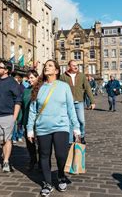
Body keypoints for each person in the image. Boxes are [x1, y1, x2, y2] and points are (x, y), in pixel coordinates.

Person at [27, 60, 80, 196]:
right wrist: (30, 129)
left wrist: (76, 127)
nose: (46, 67)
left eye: (50, 65)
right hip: (42, 127)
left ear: (56, 71)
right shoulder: (38, 87)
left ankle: (61, 175)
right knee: (44, 156)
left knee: (61, 155)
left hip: (61, 126)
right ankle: (47, 183)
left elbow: (70, 108)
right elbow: (32, 110)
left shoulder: (64, 87)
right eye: (45, 65)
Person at [59, 60, 95, 144]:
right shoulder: (63, 77)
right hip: (68, 103)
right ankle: (71, 140)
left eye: (77, 65)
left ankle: (82, 136)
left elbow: (88, 88)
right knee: (70, 122)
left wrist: (92, 101)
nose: (76, 67)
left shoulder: (81, 76)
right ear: (69, 66)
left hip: (79, 101)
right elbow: (59, 90)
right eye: (73, 65)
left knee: (81, 121)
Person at [21, 70, 40, 171]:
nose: (29, 80)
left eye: (32, 77)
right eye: (28, 78)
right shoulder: (26, 90)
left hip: (39, 121)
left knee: (41, 143)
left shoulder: (42, 89)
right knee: (30, 143)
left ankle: (42, 162)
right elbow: (22, 106)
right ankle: (33, 160)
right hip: (27, 120)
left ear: (37, 77)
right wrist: (20, 120)